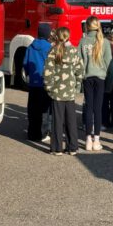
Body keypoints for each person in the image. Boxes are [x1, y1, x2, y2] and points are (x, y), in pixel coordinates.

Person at [43, 27, 84, 155]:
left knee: (57, 120)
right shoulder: (74, 50)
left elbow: (48, 72)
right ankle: (73, 147)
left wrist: (48, 87)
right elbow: (80, 70)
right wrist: (76, 86)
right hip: (70, 91)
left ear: (57, 36)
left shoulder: (53, 51)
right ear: (68, 36)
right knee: (71, 120)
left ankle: (57, 148)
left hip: (56, 91)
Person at [79, 15, 112, 151]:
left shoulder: (83, 41)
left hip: (87, 77)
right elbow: (109, 61)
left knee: (89, 107)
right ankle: (96, 140)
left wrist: (81, 76)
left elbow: (79, 61)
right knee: (98, 109)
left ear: (87, 26)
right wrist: (106, 76)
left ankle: (87, 139)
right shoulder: (104, 42)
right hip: (100, 77)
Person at [22, 22, 54, 142]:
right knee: (44, 110)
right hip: (45, 82)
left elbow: (25, 63)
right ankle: (43, 133)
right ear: (48, 34)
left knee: (32, 108)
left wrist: (29, 74)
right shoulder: (49, 47)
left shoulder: (31, 46)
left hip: (33, 83)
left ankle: (32, 133)